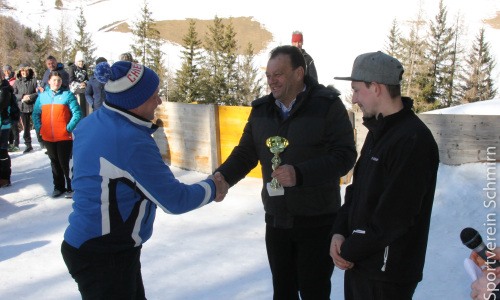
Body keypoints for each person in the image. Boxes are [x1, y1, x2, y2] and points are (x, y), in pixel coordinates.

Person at [60, 60, 227, 299]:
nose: (159, 101)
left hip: (92, 246)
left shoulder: (92, 122)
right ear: (134, 101)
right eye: (154, 95)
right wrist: (214, 187)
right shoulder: (129, 140)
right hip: (105, 255)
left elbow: (75, 173)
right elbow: (174, 200)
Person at [214, 45, 357, 299]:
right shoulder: (261, 111)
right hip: (277, 222)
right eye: (268, 75)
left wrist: (300, 174)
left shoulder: (328, 106)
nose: (271, 80)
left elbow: (345, 156)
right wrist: (222, 176)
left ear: (299, 73)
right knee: (283, 292)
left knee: (315, 292)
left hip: (318, 222)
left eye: (278, 74)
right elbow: (246, 153)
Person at [329, 51, 439, 300]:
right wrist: (339, 233)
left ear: (376, 88)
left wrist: (348, 248)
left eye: (357, 90)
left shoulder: (413, 140)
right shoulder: (378, 132)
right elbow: (356, 192)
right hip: (361, 266)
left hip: (388, 275)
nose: (354, 98)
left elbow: (395, 217)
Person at [33, 71, 82, 198]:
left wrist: (68, 128)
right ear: (49, 81)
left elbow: (77, 113)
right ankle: (58, 187)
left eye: (59, 80)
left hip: (64, 136)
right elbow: (36, 114)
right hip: (48, 136)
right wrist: (40, 128)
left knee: (64, 162)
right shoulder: (42, 97)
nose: (57, 83)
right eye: (54, 80)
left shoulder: (67, 95)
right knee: (54, 162)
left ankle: (70, 187)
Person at [13, 64, 38, 153]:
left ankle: (42, 142)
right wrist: (23, 96)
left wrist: (30, 96)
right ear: (20, 72)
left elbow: (38, 92)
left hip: (33, 105)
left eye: (26, 71)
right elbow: (14, 94)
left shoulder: (34, 80)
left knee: (38, 124)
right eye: (22, 71)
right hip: (22, 107)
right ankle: (28, 144)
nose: (24, 73)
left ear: (29, 71)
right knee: (26, 127)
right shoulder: (17, 82)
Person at [0, 78, 19, 187]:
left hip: (3, 124)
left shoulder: (4, 90)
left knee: (2, 151)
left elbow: (1, 104)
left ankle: (4, 177)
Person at [69, 51, 89, 117]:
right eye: (79, 61)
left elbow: (87, 79)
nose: (81, 63)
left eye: (82, 61)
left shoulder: (84, 69)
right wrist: (79, 84)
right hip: (74, 90)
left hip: (83, 90)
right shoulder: (72, 68)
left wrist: (85, 83)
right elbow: (71, 80)